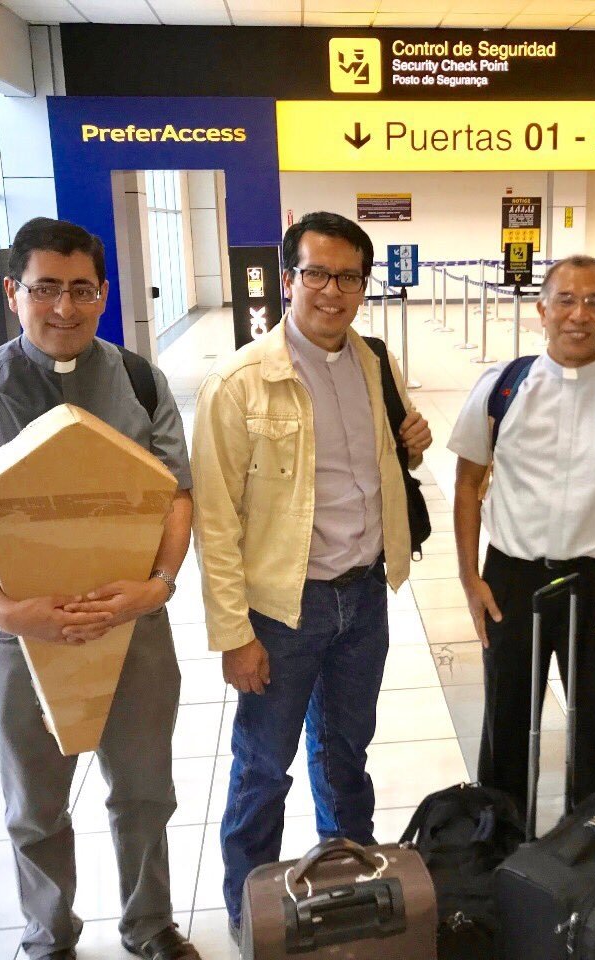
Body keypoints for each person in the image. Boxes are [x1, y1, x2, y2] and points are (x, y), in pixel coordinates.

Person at [0, 218, 201, 960]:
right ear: (13, 292)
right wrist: (5, 609)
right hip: (20, 632)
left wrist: (159, 585)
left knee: (145, 791)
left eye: (81, 290)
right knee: (35, 803)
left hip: (132, 623)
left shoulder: (139, 381)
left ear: (103, 294)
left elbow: (176, 495)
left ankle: (149, 924)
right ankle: (49, 934)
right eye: (45, 289)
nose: (64, 308)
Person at [190, 211, 432, 939]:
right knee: (264, 766)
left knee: (346, 754)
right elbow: (214, 520)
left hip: (363, 594)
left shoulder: (375, 361)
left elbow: (387, 461)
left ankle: (351, 888)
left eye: (349, 277)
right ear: (288, 280)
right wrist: (234, 634)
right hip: (282, 609)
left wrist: (413, 444)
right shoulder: (239, 383)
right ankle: (249, 913)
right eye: (317, 274)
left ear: (364, 285)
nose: (333, 291)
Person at [448, 255, 595, 817]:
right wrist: (470, 578)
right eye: (566, 300)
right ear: (541, 310)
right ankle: (499, 844)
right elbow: (467, 484)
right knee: (506, 723)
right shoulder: (502, 387)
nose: (579, 315)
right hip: (512, 578)